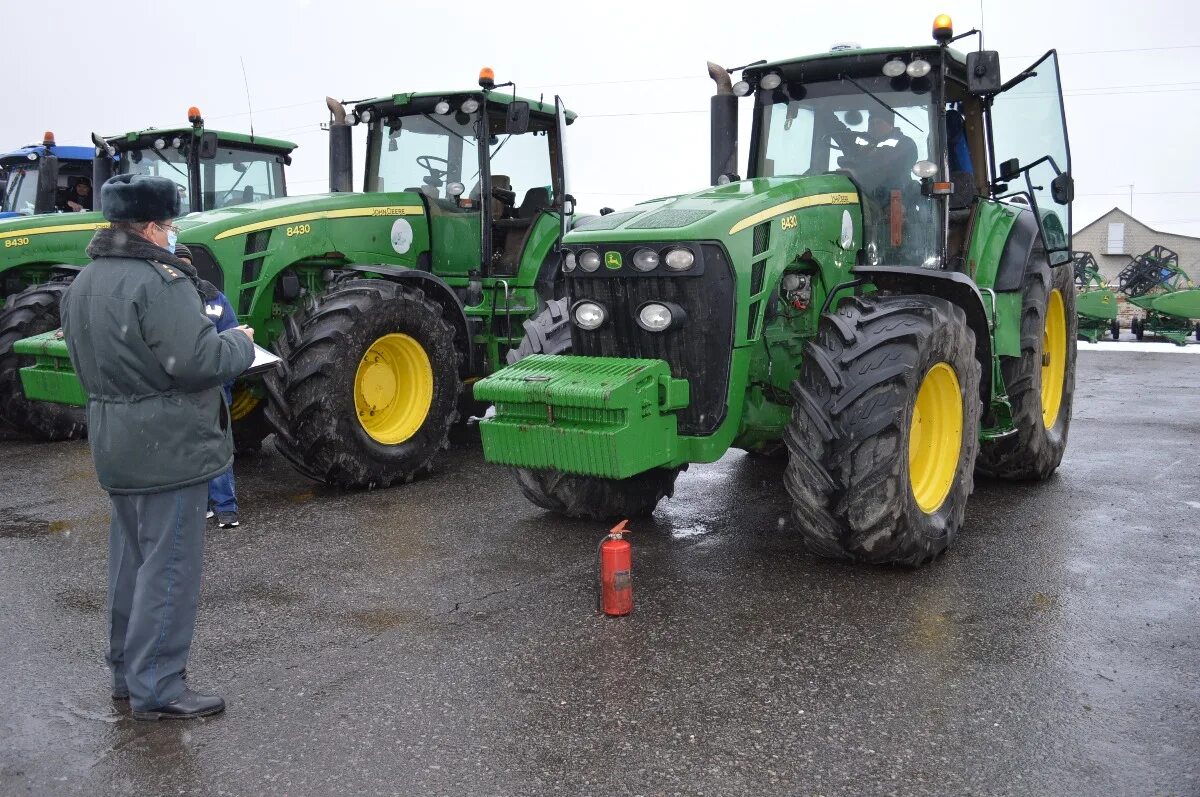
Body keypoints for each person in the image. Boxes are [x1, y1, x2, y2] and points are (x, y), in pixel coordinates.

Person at [60, 174, 255, 721]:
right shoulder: (160, 284)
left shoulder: (85, 283)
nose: (172, 234)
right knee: (169, 568)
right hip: (169, 446)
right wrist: (238, 344)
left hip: (116, 441)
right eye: (169, 224)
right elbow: (194, 362)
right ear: (149, 226)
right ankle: (159, 686)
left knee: (130, 563)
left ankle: (127, 673)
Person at [173, 244, 242, 529]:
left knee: (212, 447)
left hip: (209, 386)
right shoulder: (170, 299)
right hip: (189, 386)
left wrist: (224, 381)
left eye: (186, 264)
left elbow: (233, 337)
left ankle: (224, 508)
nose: (184, 269)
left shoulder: (213, 298)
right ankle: (206, 507)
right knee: (200, 448)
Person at [829, 107, 919, 198]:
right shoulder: (859, 140)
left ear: (890, 125)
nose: (875, 126)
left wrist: (876, 154)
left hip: (893, 199)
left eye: (879, 123)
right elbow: (837, 131)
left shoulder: (905, 143)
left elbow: (900, 163)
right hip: (860, 197)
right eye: (871, 123)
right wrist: (824, 110)